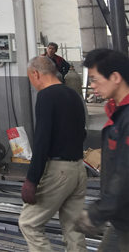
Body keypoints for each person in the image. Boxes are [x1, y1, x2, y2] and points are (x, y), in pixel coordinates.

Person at [18, 56, 87, 252]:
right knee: (74, 229)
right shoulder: (73, 95)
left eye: (30, 78)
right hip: (78, 169)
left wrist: (32, 180)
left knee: (29, 224)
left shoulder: (46, 96)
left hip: (59, 171)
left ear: (36, 74)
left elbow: (42, 140)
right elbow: (82, 133)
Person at [76, 49, 129, 251]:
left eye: (95, 79)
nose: (92, 85)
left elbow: (125, 173)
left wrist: (97, 213)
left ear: (115, 77)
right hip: (120, 216)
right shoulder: (118, 113)